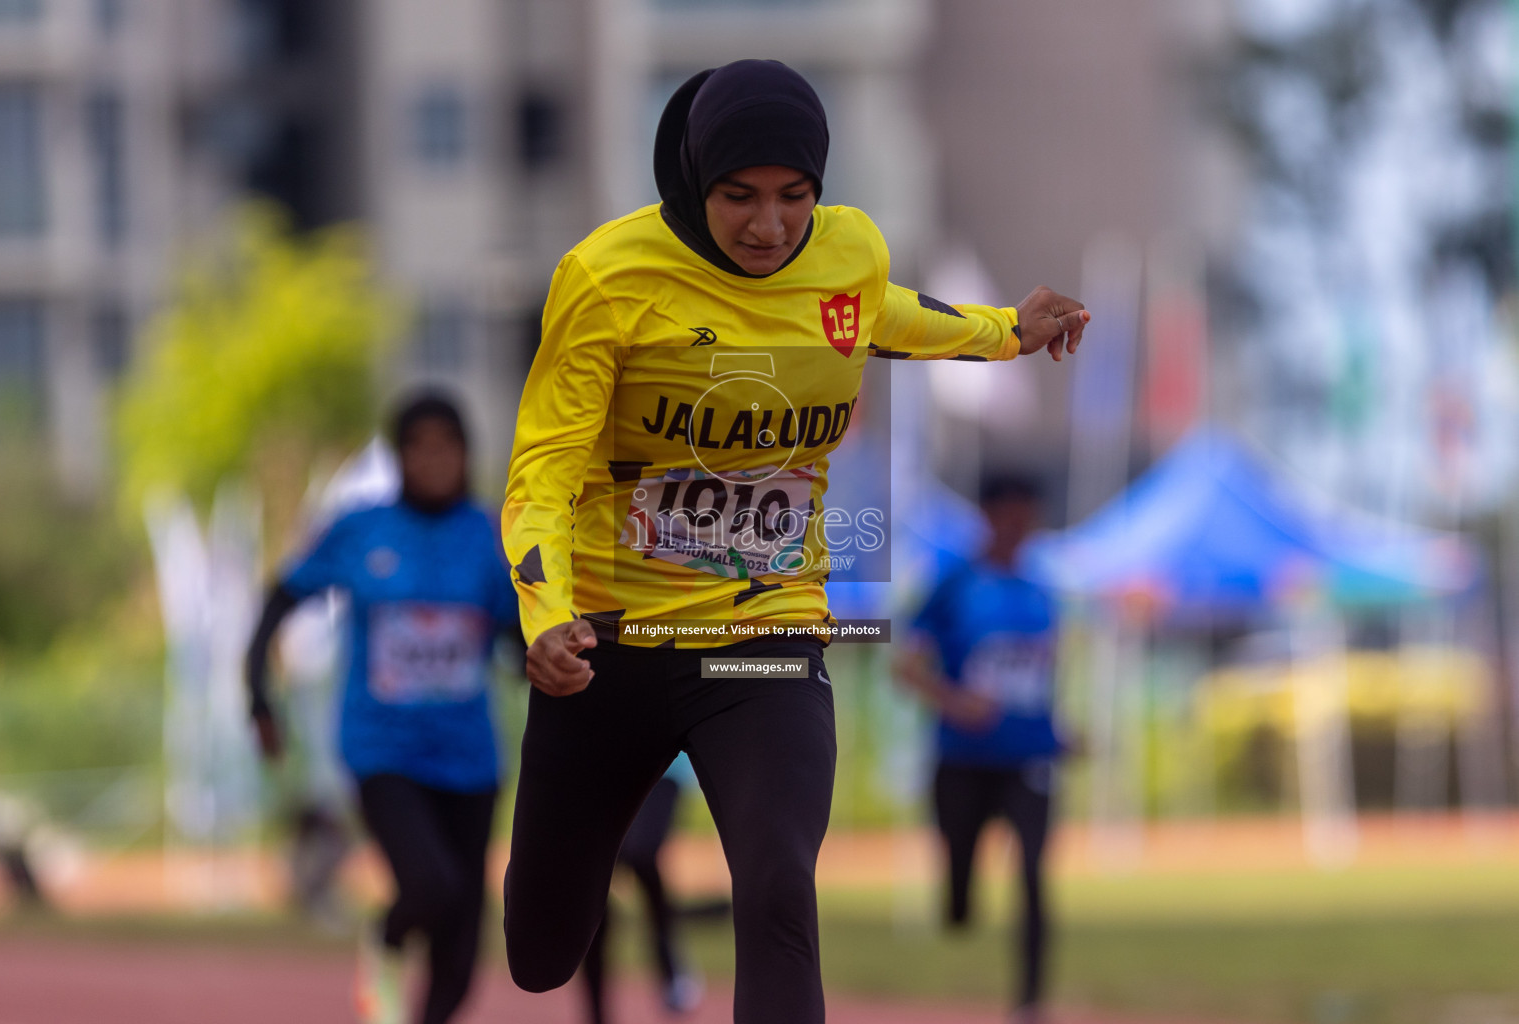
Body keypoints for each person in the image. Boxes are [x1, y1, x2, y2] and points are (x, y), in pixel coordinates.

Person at [501, 58, 1088, 1024]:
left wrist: (1003, 332)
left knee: (778, 883)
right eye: (740, 198)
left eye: (794, 198)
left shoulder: (845, 250)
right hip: (611, 644)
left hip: (765, 633)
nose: (770, 227)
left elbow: (880, 318)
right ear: (696, 183)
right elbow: (542, 474)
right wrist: (549, 617)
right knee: (539, 953)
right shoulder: (607, 278)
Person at [246, 392, 518, 1024]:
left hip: (470, 757)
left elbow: (515, 637)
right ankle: (386, 940)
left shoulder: (488, 534)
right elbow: (281, 598)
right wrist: (257, 691)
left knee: (460, 953)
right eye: (418, 448)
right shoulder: (360, 527)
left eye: (446, 447)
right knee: (429, 888)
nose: (433, 461)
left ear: (466, 455)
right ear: (398, 458)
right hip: (383, 749)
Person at [896, 474, 1066, 1024]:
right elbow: (904, 667)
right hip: (963, 761)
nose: (1021, 529)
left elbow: (1039, 678)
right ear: (989, 516)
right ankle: (960, 902)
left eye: (1029, 518)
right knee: (960, 900)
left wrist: (1061, 732)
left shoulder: (1043, 590)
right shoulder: (954, 584)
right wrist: (955, 701)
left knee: (1035, 878)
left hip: (1030, 760)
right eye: (1011, 517)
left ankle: (1030, 1001)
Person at [580, 752, 704, 1024]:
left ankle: (670, 961)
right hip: (604, 767)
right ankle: (596, 1013)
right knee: (594, 874)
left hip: (666, 762)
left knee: (641, 853)